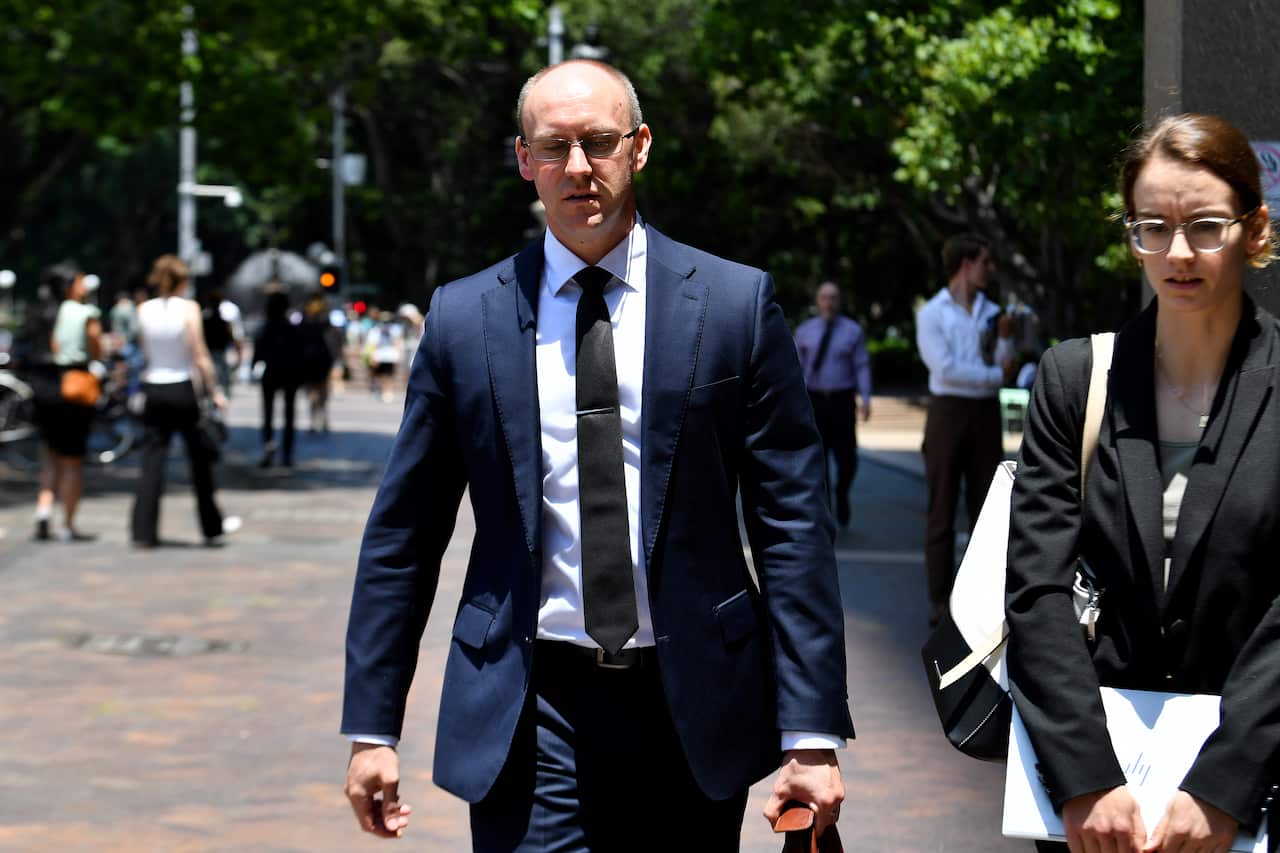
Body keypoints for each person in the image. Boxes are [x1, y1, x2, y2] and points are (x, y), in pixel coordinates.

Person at [341, 59, 854, 851]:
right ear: (524, 160)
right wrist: (373, 725)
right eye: (555, 147)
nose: (578, 168)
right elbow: (403, 536)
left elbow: (793, 528)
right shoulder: (463, 319)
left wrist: (812, 730)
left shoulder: (732, 305)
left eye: (600, 142)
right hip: (529, 706)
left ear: (639, 147)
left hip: (692, 708)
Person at [1006, 113, 1280, 853]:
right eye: (1151, 226)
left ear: (1256, 230)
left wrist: (1225, 789)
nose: (1177, 252)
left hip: (1251, 798)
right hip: (1097, 801)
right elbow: (1036, 588)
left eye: (1207, 225)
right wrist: (1087, 778)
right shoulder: (1074, 377)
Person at [915, 233, 1015, 626]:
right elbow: (945, 370)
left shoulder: (992, 312)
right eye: (985, 262)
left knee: (986, 506)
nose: (990, 270)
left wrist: (1004, 343)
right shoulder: (933, 313)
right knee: (941, 508)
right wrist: (993, 376)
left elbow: (1005, 364)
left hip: (984, 414)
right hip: (947, 413)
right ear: (966, 264)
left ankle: (980, 597)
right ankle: (940, 600)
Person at [130, 254, 239, 548]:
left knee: (152, 460)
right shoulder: (189, 309)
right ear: (182, 281)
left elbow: (143, 351)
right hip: (182, 389)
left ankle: (143, 530)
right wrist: (214, 390)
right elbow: (199, 354)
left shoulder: (143, 310)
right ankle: (211, 525)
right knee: (199, 460)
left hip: (153, 387)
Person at [31, 261, 101, 541]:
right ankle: (68, 524)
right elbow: (96, 348)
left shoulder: (39, 312)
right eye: (81, 281)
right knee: (72, 461)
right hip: (73, 387)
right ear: (69, 285)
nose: (85, 286)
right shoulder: (85, 312)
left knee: (50, 455)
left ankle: (43, 508)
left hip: (43, 387)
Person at [794, 281, 872, 527]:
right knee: (819, 458)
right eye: (824, 297)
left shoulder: (852, 331)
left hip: (842, 401)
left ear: (839, 301)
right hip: (815, 400)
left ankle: (842, 493)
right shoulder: (805, 331)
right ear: (818, 301)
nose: (829, 302)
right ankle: (825, 508)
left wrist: (866, 397)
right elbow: (795, 368)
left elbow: (861, 365)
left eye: (834, 297)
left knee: (847, 457)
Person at [253, 288, 303, 468]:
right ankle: (287, 454)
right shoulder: (292, 328)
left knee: (268, 413)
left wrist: (253, 368)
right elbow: (300, 354)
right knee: (289, 414)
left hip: (271, 373)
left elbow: (258, 352)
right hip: (290, 374)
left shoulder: (266, 327)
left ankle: (269, 447)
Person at [300, 291, 339, 433]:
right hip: (323, 359)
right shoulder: (325, 317)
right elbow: (334, 338)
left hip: (310, 359)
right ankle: (322, 420)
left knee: (312, 392)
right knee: (322, 391)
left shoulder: (305, 317)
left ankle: (314, 421)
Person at [201, 285, 236, 398]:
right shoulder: (224, 319)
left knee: (212, 381)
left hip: (212, 353)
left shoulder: (204, 318)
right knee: (222, 381)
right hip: (218, 353)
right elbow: (231, 336)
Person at [365, 310, 403, 402]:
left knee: (390, 374)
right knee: (381, 374)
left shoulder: (395, 330)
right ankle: (383, 390)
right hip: (380, 355)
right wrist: (373, 357)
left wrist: (399, 355)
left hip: (391, 355)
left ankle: (389, 391)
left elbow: (398, 342)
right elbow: (372, 345)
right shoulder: (376, 330)